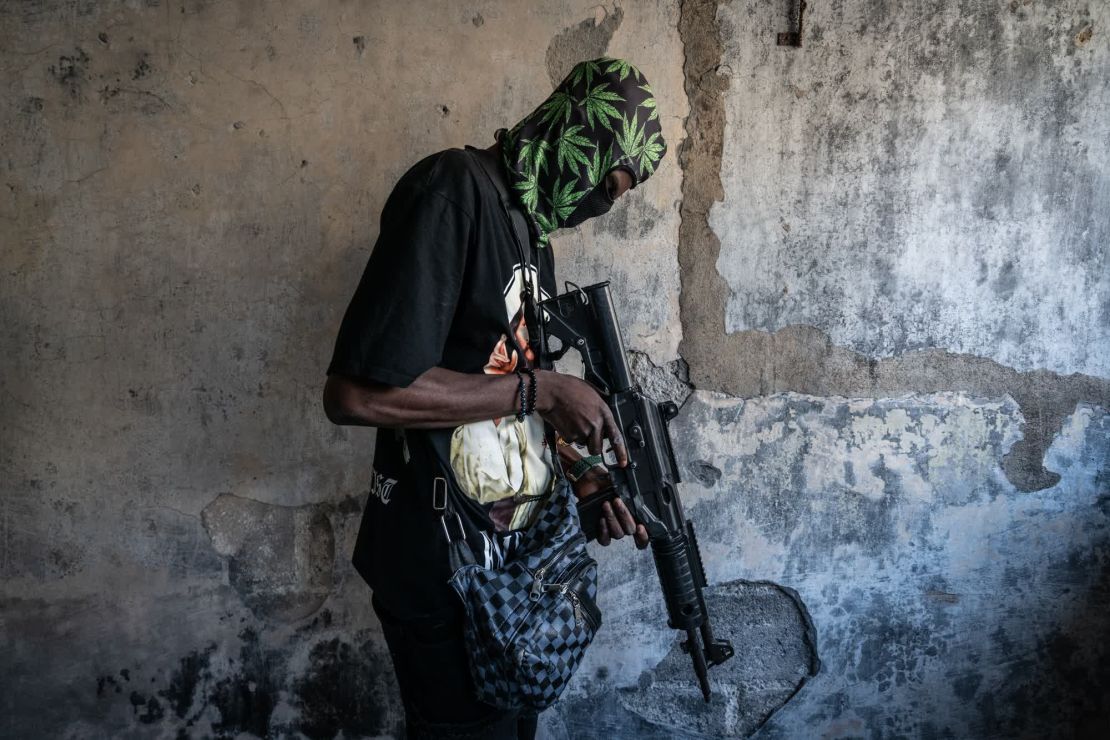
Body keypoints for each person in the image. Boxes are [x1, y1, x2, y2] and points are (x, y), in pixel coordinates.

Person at [323, 58, 666, 739]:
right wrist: (543, 389)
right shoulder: (453, 190)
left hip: (506, 573)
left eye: (616, 194)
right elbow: (358, 393)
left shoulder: (529, 229)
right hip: (443, 569)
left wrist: (586, 478)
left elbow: (511, 388)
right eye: (604, 182)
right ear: (577, 133)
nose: (599, 203)